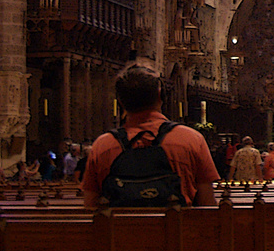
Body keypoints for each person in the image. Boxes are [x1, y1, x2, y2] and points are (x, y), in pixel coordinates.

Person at [83, 63, 220, 207]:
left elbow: (91, 207)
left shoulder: (102, 146)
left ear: (120, 102)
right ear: (161, 95)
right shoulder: (191, 140)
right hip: (178, 228)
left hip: (120, 229)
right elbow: (207, 205)